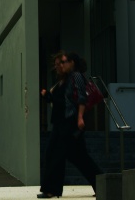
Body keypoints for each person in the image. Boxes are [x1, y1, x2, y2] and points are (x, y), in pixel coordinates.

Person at [38, 51, 103, 198]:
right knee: (79, 158)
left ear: (72, 62)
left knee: (55, 155)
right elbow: (60, 102)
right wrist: (48, 96)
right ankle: (103, 185)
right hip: (60, 123)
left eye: (63, 62)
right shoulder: (63, 81)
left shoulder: (76, 76)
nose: (60, 66)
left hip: (70, 123)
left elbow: (81, 97)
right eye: (57, 64)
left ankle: (51, 190)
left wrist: (80, 117)